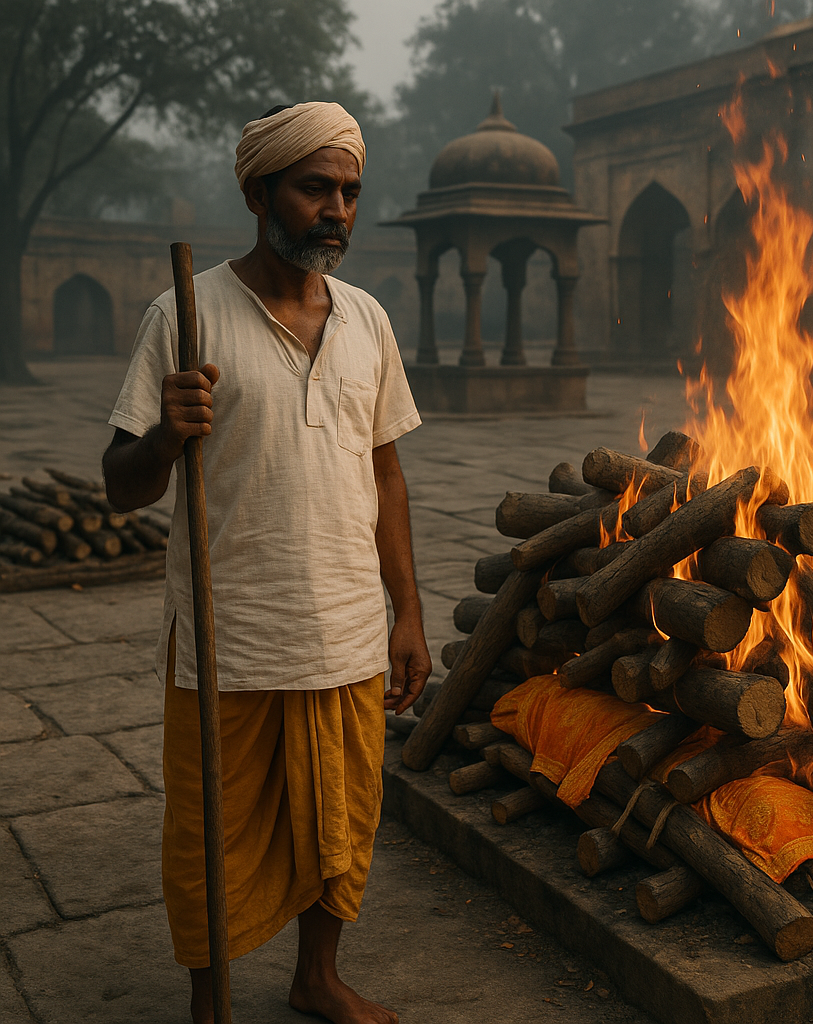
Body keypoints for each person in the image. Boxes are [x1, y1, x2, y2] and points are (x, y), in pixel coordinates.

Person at [102, 101, 431, 1024]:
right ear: (258, 192)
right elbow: (121, 486)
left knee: (343, 820)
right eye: (314, 187)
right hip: (230, 633)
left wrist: (407, 612)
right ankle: (211, 1003)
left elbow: (387, 473)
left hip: (348, 631)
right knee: (214, 830)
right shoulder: (187, 315)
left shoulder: (367, 321)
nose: (337, 209)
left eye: (351, 192)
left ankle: (315, 976)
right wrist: (167, 434)